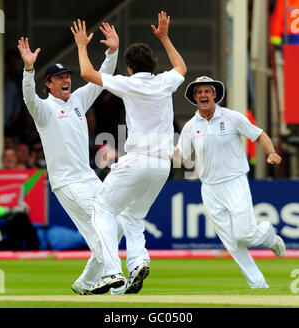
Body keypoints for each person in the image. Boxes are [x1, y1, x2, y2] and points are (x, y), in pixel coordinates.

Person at [71, 12, 186, 294]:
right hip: (162, 167)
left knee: (103, 208)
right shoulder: (164, 82)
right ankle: (137, 263)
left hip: (138, 160)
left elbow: (87, 74)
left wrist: (82, 46)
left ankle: (112, 272)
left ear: (130, 68)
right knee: (133, 217)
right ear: (153, 64)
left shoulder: (129, 82)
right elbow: (181, 67)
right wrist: (165, 37)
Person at [17, 24, 125, 295]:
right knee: (99, 227)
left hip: (88, 177)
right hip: (67, 182)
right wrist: (29, 70)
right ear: (49, 83)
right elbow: (29, 97)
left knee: (118, 225)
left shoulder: (77, 100)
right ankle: (114, 277)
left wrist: (112, 52)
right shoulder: (45, 110)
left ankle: (86, 283)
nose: (66, 80)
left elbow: (102, 78)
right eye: (60, 77)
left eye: (68, 76)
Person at [175, 76, 285, 289]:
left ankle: (268, 234)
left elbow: (259, 135)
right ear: (195, 97)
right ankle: (259, 285)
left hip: (235, 182)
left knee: (244, 235)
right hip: (209, 188)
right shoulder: (190, 126)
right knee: (231, 242)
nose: (203, 95)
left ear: (214, 94)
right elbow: (181, 157)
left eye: (207, 91)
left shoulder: (233, 117)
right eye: (199, 92)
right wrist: (158, 152)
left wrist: (271, 153)